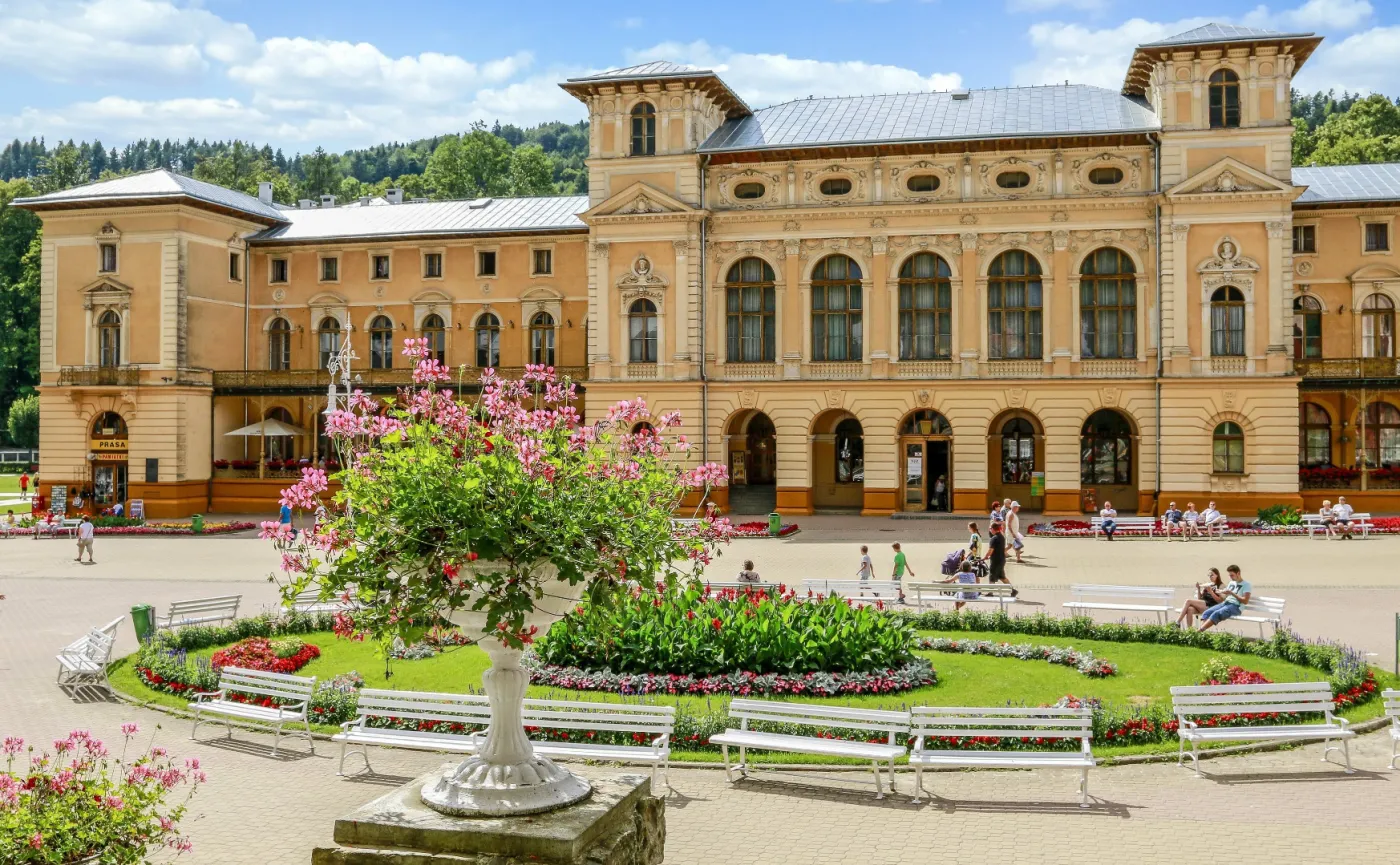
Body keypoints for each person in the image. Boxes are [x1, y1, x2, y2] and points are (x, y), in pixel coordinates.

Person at [1199, 565, 1251, 632]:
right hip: (1225, 603)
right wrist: (1220, 592)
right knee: (1207, 613)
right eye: (1229, 575)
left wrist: (1231, 593)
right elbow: (1226, 593)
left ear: (1238, 573)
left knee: (1216, 614)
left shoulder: (1246, 585)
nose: (1230, 577)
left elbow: (1245, 601)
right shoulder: (1231, 582)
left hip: (1236, 607)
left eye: (1232, 575)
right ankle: (1202, 633)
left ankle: (1199, 632)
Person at [986, 522, 1018, 597]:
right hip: (1001, 559)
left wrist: (985, 557)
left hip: (996, 560)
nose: (990, 530)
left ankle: (990, 592)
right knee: (1002, 577)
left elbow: (990, 550)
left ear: (993, 529)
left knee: (992, 575)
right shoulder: (1001, 536)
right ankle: (1012, 590)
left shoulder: (994, 539)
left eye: (990, 528)